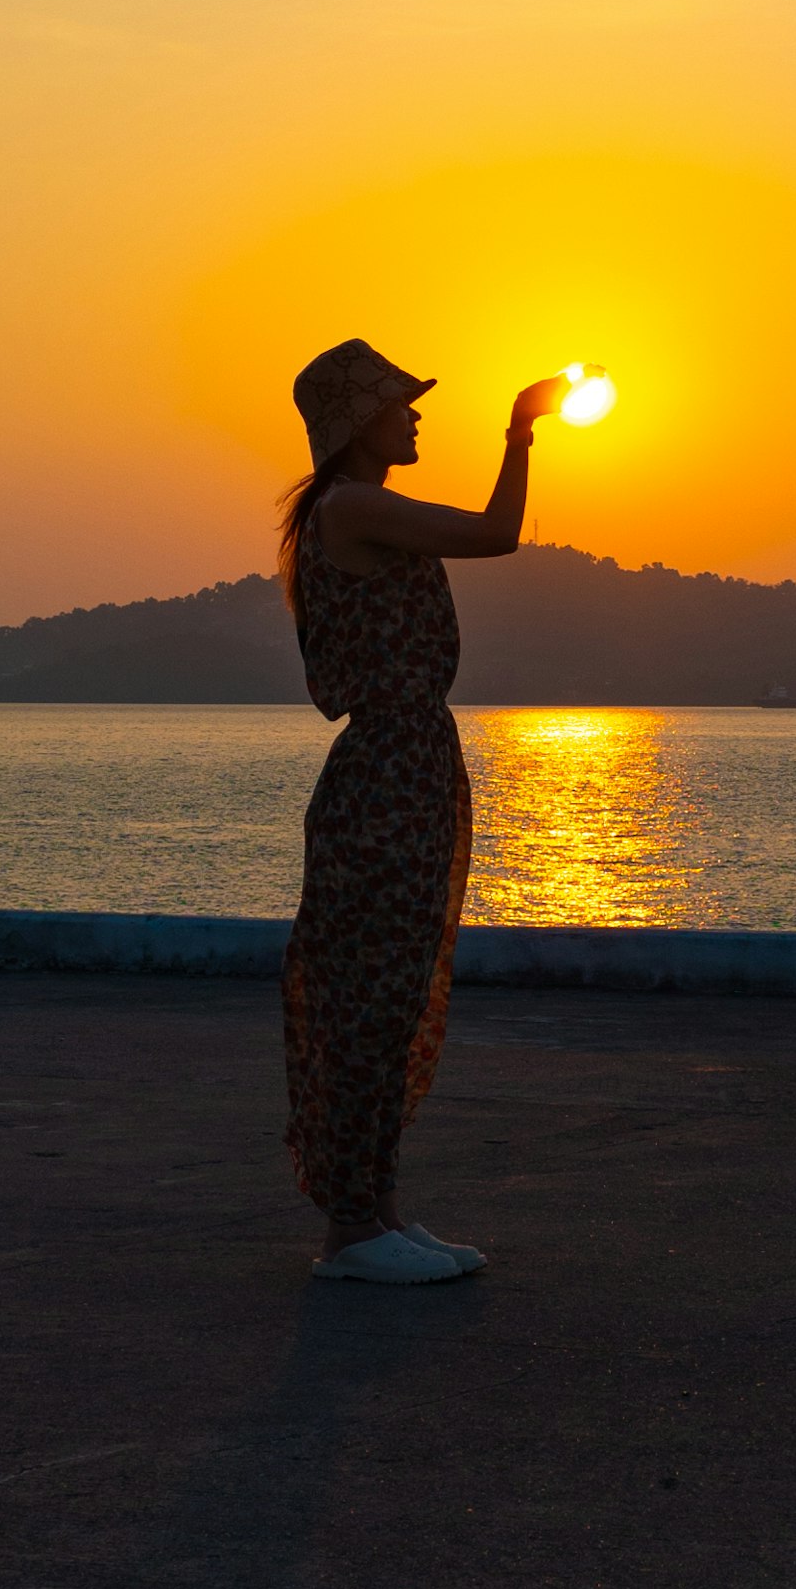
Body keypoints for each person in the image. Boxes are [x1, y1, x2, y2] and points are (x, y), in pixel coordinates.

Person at [278, 335, 566, 1283]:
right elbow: (496, 533)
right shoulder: (355, 505)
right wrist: (520, 434)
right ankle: (352, 1232)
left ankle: (382, 1215)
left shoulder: (355, 505)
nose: (413, 416)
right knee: (369, 999)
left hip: (408, 762)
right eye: (399, 403)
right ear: (359, 420)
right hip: (389, 772)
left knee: (392, 996)